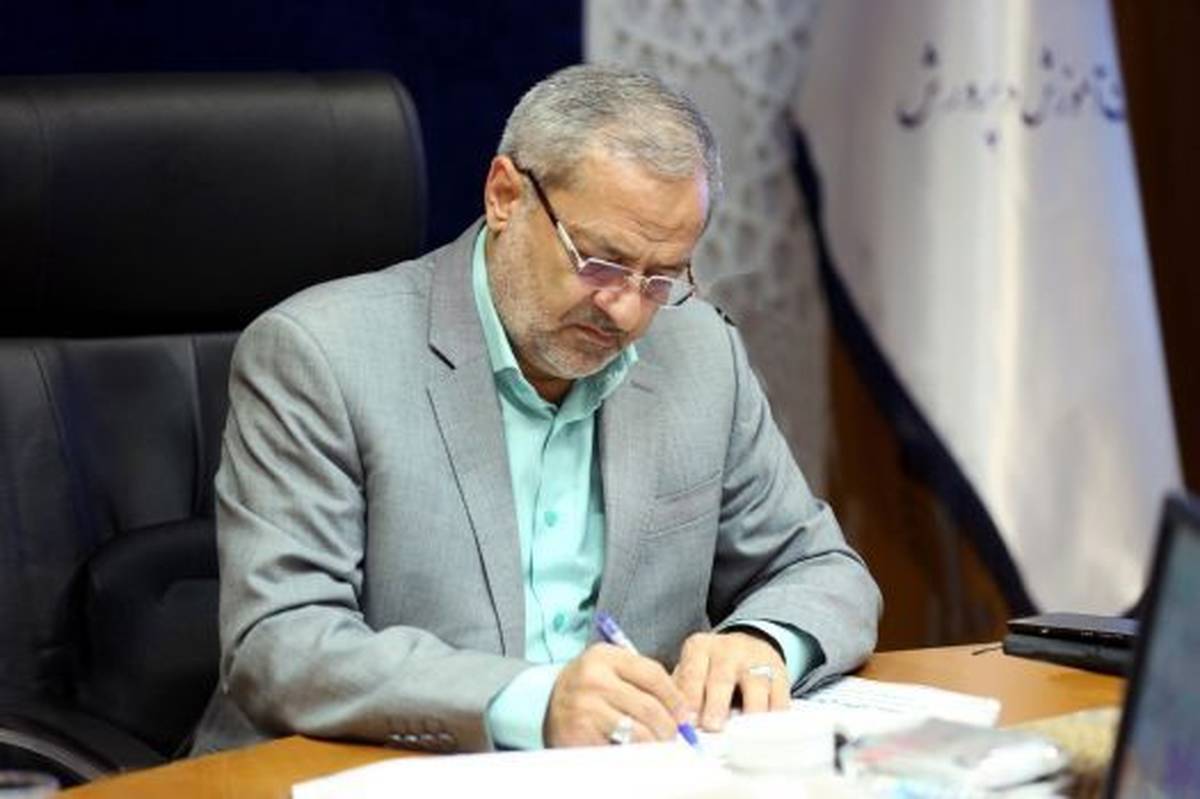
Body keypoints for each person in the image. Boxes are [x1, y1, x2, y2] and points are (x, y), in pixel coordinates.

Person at [191, 64, 881, 755]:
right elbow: (281, 642)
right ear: (505, 197)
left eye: (662, 277)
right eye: (601, 263)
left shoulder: (700, 352)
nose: (627, 310)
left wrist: (763, 640)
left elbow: (823, 569)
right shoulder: (321, 355)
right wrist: (532, 703)